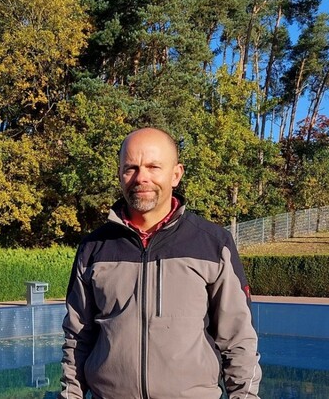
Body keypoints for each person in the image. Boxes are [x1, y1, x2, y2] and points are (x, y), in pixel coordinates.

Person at [60, 127, 261, 399]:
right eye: (131, 168)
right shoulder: (94, 248)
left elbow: (238, 341)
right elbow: (77, 339)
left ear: (176, 174)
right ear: (120, 174)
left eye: (154, 166)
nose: (141, 177)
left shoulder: (213, 243)